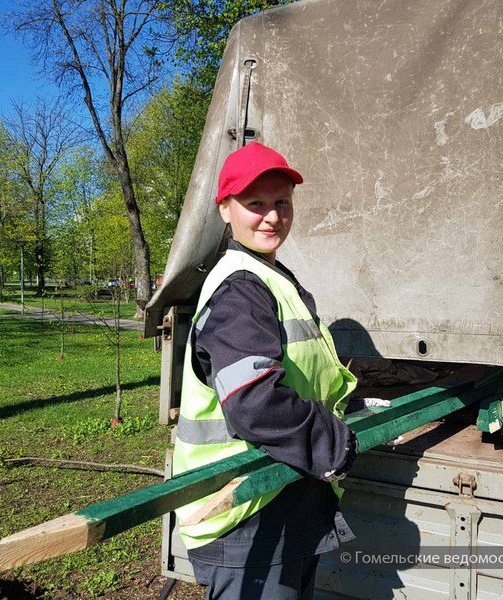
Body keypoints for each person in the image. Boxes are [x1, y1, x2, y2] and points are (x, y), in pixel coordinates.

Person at [173, 142, 361, 599]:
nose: (272, 217)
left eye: (282, 203)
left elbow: (300, 374)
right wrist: (335, 443)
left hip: (279, 493)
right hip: (243, 513)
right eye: (255, 204)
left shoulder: (271, 276)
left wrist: (351, 408)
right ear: (225, 209)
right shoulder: (241, 289)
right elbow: (256, 404)